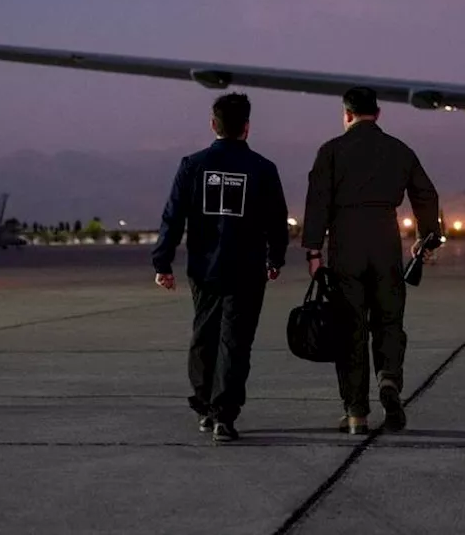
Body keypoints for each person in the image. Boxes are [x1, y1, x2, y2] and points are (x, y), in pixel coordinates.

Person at [302, 86, 441, 435]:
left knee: (350, 327)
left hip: (346, 243)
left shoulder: (331, 151)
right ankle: (389, 379)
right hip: (385, 239)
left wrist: (314, 251)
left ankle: (356, 414)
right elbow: (426, 193)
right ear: (377, 114)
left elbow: (317, 202)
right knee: (389, 319)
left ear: (346, 114)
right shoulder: (399, 150)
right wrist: (426, 239)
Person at [152, 93, 289, 443]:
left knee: (204, 337)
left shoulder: (192, 165)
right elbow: (277, 221)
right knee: (236, 343)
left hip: (204, 268)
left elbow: (173, 216)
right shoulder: (263, 168)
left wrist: (162, 262)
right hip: (246, 270)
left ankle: (204, 407)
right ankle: (224, 416)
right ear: (247, 126)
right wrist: (276, 258)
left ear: (213, 124)